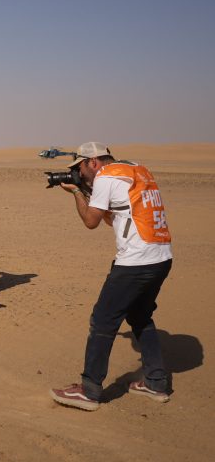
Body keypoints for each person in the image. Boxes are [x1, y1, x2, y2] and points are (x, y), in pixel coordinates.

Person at [50, 142, 173, 411]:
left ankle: (89, 390)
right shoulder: (137, 169)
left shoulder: (105, 177)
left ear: (93, 162)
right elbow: (114, 217)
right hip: (161, 257)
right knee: (140, 316)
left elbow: (91, 222)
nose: (79, 174)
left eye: (80, 168)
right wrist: (88, 191)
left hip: (136, 262)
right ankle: (156, 382)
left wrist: (77, 193)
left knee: (103, 320)